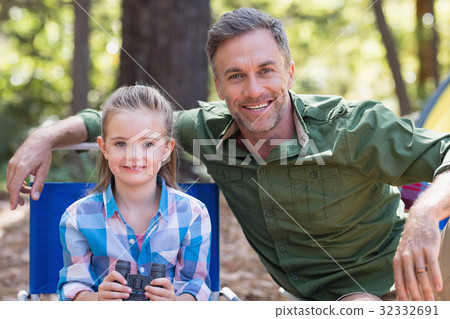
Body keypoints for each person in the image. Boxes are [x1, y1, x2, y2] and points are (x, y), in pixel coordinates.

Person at [7, 8, 450, 301]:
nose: (253, 89)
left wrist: (426, 211)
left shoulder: (352, 126)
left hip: (418, 274)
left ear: (290, 72)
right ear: (219, 87)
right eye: (236, 76)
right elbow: (116, 122)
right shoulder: (205, 131)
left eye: (266, 71)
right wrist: (44, 137)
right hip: (342, 301)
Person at [57, 85, 211, 301]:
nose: (134, 156)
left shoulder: (194, 214)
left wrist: (175, 303)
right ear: (104, 147)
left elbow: (197, 287)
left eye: (148, 144)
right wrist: (97, 300)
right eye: (121, 143)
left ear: (166, 150)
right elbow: (72, 287)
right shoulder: (77, 218)